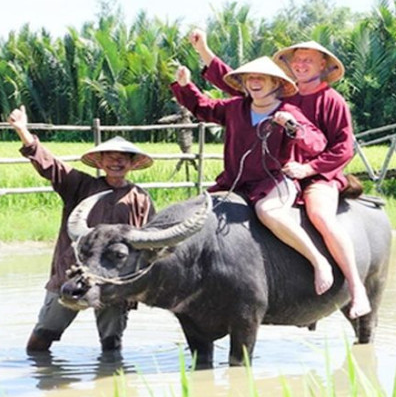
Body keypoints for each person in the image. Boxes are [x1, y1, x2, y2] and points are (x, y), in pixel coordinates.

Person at [189, 30, 371, 319]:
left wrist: (309, 168)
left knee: (320, 216)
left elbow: (342, 147)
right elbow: (240, 84)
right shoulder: (279, 93)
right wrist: (204, 51)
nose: (300, 64)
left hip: (315, 174)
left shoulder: (331, 100)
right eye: (296, 60)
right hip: (276, 170)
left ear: (323, 65)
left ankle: (356, 288)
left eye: (308, 60)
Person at [170, 57, 334, 294]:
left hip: (274, 181)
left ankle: (318, 261)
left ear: (275, 83)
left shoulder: (289, 111)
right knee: (198, 212)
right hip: (235, 182)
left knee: (268, 211)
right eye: (249, 78)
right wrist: (185, 86)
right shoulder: (235, 108)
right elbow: (203, 107)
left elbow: (317, 143)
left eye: (261, 78)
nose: (254, 82)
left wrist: (292, 127)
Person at [7, 106, 155, 353]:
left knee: (112, 346)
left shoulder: (140, 199)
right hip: (71, 274)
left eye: (123, 157)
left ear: (132, 163)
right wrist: (23, 131)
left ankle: (109, 385)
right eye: (110, 156)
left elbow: (148, 244)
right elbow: (50, 166)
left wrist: (135, 286)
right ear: (100, 161)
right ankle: (44, 378)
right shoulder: (80, 185)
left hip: (113, 281)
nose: (116, 161)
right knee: (40, 341)